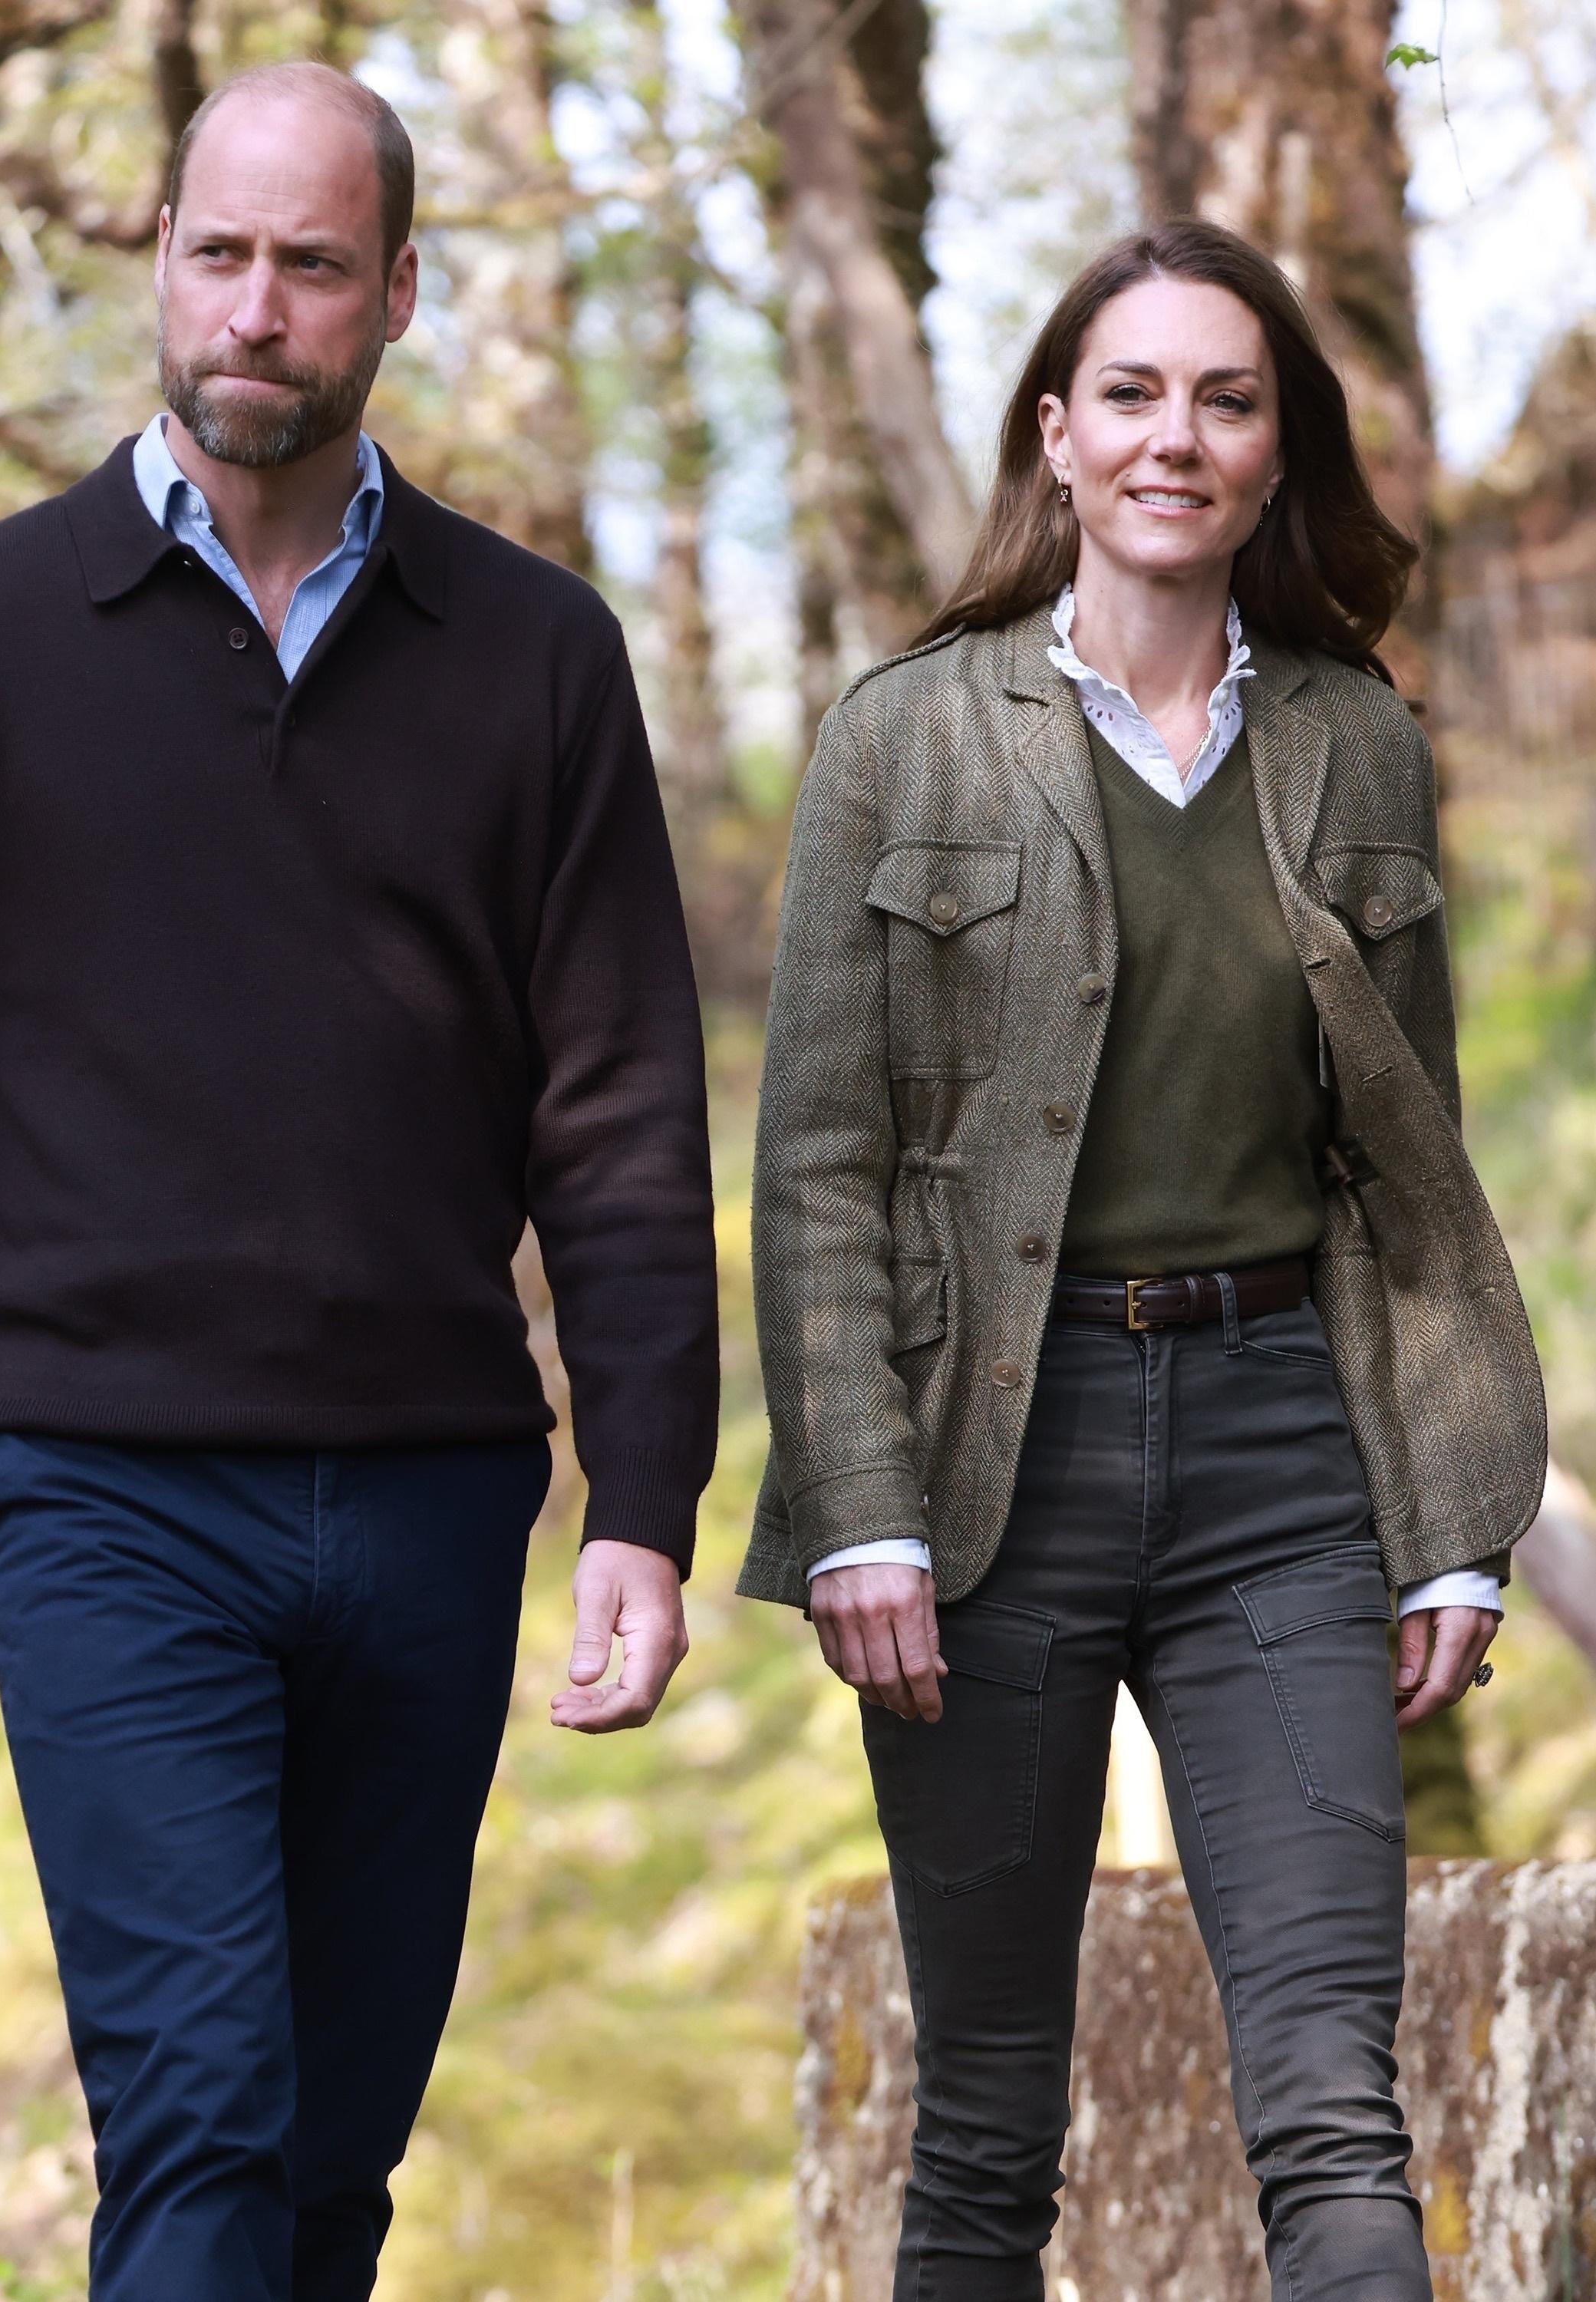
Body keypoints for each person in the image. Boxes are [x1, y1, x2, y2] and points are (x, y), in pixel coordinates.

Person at [0, 61, 718, 2302]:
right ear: (157, 263)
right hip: (106, 1492)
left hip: (432, 1493)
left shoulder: (539, 657)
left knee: (327, 2169)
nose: (255, 310)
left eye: (310, 264)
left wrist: (647, 1500)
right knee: (200, 2116)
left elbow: (616, 1112)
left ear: (400, 291)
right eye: (217, 255)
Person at [740, 218, 1545, 2302]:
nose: (1173, 437)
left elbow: (1409, 1177)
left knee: (1336, 2115)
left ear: (1276, 455)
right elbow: (819, 1165)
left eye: (1224, 399)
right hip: (988, 1473)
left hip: (1284, 1466)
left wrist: (1450, 1525)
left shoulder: (1358, 744)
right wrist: (858, 1511)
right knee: (985, 2134)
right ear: (1056, 434)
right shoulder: (904, 739)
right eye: (1130, 393)